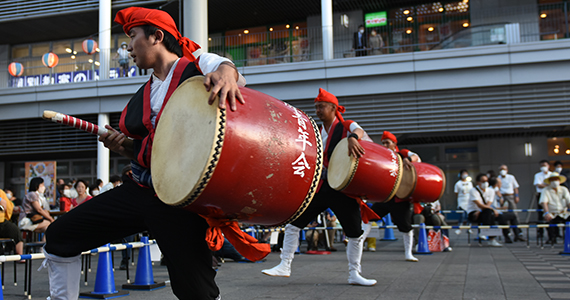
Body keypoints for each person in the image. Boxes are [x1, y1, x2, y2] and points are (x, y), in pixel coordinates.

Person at [42, 6, 248, 300]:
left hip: (180, 201)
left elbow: (229, 73)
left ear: (157, 37)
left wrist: (227, 72)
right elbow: (150, 152)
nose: (128, 48)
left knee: (197, 291)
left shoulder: (197, 71)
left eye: (133, 36)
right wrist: (124, 146)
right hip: (141, 189)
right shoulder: (145, 93)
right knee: (60, 235)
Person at [262, 88, 377, 286]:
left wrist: (353, 138)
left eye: (322, 106)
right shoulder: (316, 130)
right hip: (320, 187)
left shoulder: (345, 126)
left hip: (341, 188)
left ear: (333, 108)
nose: (318, 110)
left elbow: (359, 130)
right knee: (293, 224)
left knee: (355, 233)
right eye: (316, 107)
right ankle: (284, 265)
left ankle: (354, 273)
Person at [369, 130, 421, 262]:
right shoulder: (381, 156)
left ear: (394, 143)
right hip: (385, 197)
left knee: (406, 227)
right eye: (383, 143)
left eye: (388, 142)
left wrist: (407, 160)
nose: (385, 145)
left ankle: (408, 253)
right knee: (368, 217)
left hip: (400, 198)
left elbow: (415, 156)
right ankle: (356, 244)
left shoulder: (402, 153)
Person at [466, 174, 502, 247]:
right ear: (478, 182)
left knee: (495, 215)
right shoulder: (473, 190)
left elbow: (489, 204)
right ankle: (491, 238)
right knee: (489, 213)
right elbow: (479, 205)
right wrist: (490, 209)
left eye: (486, 181)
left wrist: (481, 211)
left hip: (483, 212)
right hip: (473, 212)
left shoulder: (491, 190)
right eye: (483, 181)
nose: (485, 183)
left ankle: (506, 234)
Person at [489, 177, 525, 243]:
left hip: (499, 211)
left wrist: (500, 198)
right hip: (493, 212)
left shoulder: (496, 191)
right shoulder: (491, 191)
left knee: (510, 216)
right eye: (500, 183)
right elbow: (491, 205)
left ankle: (513, 235)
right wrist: (500, 208)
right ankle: (511, 235)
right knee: (508, 217)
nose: (501, 184)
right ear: (497, 184)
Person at [539, 172, 570, 244]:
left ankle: (567, 238)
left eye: (556, 180)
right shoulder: (545, 190)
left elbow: (569, 201)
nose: (554, 182)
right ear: (549, 182)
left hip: (564, 213)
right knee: (549, 221)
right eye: (552, 180)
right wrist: (546, 213)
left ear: (559, 181)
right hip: (552, 213)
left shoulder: (564, 189)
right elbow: (544, 202)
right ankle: (552, 238)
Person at [0, 189, 24, 258]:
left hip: (2, 221)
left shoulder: (1, 192)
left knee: (15, 231)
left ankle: (19, 255)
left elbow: (6, 206)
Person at [534, 160, 552, 238]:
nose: (543, 167)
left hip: (550, 195)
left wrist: (544, 185)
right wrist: (548, 185)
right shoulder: (538, 175)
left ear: (548, 166)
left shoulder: (552, 174)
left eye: (545, 165)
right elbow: (539, 185)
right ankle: (540, 232)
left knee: (551, 213)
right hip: (541, 195)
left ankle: (553, 233)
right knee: (541, 214)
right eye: (542, 166)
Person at [454, 169, 472, 234]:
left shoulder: (470, 183)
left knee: (469, 216)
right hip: (462, 201)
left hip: (469, 201)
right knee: (462, 215)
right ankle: (460, 228)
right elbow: (456, 193)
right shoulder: (458, 184)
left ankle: (469, 228)